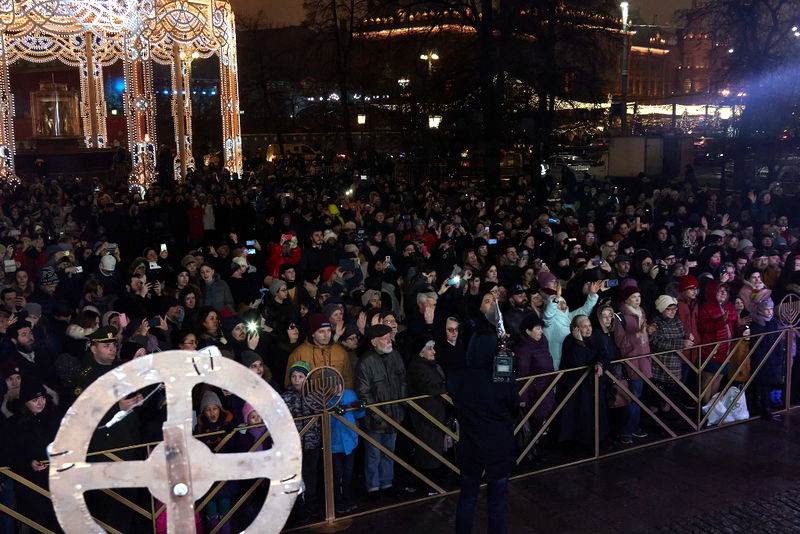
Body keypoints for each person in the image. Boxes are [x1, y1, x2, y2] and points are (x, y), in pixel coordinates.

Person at [447, 292, 519, 534]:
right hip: (498, 445)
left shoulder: (458, 379)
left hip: (470, 445)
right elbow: (513, 405)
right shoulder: (501, 378)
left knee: (467, 497)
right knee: (497, 500)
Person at [354, 324, 407, 501]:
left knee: (389, 453)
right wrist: (377, 415)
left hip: (394, 415)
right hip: (374, 419)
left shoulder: (395, 355)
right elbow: (364, 392)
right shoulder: (365, 362)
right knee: (373, 455)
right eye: (385, 338)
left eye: (389, 337)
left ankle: (387, 484)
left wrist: (401, 407)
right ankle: (373, 487)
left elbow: (402, 381)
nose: (389, 340)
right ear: (374, 341)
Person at [557, 315, 608, 447]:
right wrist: (579, 343)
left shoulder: (596, 338)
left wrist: (600, 363)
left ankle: (598, 440)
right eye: (584, 326)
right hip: (576, 387)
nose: (588, 329)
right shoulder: (569, 341)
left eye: (589, 325)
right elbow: (578, 362)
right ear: (576, 329)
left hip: (593, 384)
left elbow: (604, 354)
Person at [280, 361, 322, 518]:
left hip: (312, 443)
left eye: (300, 376)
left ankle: (312, 501)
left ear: (307, 378)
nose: (296, 380)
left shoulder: (315, 396)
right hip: (294, 446)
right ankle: (298, 505)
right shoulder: (285, 397)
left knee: (311, 473)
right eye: (293, 376)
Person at [407, 337, 449, 481]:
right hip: (426, 414)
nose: (434, 352)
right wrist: (447, 387)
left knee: (436, 445)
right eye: (430, 349)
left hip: (436, 412)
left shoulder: (431, 365)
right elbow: (426, 387)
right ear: (421, 352)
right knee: (428, 447)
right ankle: (428, 480)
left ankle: (436, 476)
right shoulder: (418, 367)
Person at [285, 313, 354, 388]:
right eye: (321, 331)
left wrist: (345, 397)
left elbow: (348, 379)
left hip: (337, 398)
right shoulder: (298, 353)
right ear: (313, 334)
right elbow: (289, 384)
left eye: (329, 331)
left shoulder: (340, 352)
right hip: (307, 398)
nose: (326, 335)